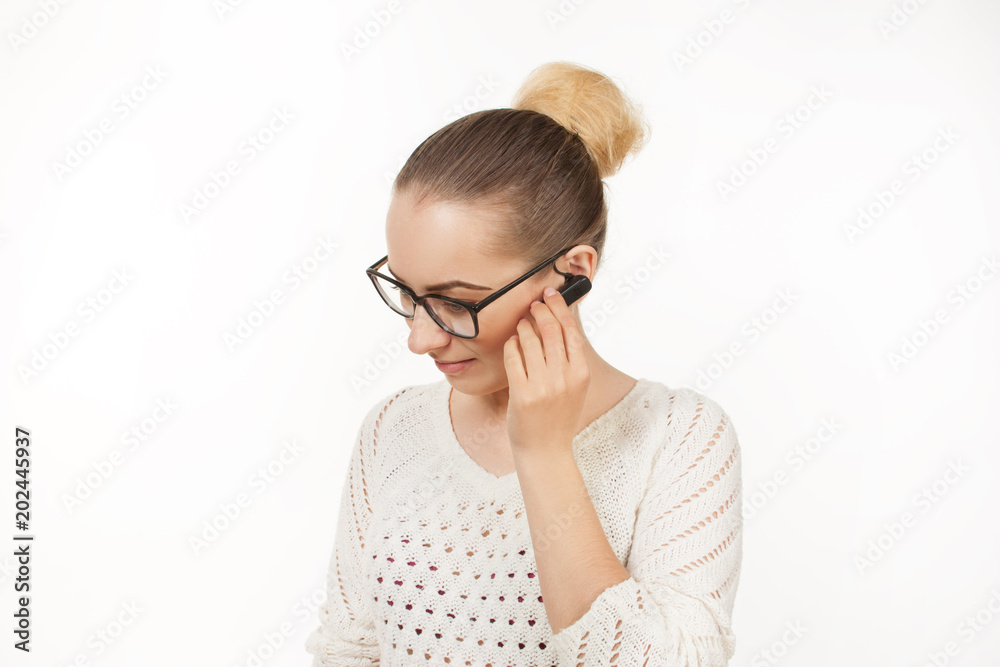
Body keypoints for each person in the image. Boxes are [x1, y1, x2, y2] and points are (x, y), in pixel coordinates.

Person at [305, 61, 743, 666]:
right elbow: (346, 653)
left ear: (573, 274)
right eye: (407, 293)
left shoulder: (680, 439)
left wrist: (543, 453)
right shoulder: (391, 432)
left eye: (455, 302)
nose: (419, 340)